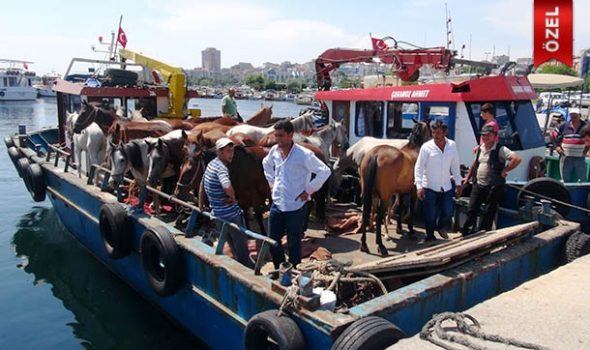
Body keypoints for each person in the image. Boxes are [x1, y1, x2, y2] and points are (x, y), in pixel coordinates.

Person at [262, 120, 331, 269]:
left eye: (281, 136)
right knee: (273, 241)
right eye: (276, 136)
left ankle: (294, 272)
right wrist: (271, 182)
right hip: (277, 204)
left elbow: (325, 171)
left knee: (294, 243)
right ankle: (279, 268)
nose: (277, 139)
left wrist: (309, 191)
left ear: (290, 135)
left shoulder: (304, 155)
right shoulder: (275, 151)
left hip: (295, 207)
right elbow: (266, 163)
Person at [198, 137, 252, 268]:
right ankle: (247, 270)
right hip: (231, 215)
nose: (231, 154)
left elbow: (202, 185)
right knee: (241, 245)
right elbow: (227, 185)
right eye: (228, 151)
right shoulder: (221, 169)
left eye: (232, 151)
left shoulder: (211, 165)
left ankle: (236, 265)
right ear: (219, 152)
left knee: (230, 241)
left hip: (217, 214)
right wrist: (233, 198)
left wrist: (200, 204)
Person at [461, 125, 521, 235]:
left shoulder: (501, 149)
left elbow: (516, 159)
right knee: (471, 209)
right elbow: (475, 164)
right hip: (478, 184)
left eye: (488, 135)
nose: (485, 137)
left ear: (494, 136)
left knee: (488, 213)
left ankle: (483, 235)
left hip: (493, 187)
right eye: (483, 135)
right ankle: (467, 233)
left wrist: (505, 170)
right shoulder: (480, 148)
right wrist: (468, 178)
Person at [414, 120, 462, 242]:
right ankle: (430, 236)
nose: (436, 135)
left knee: (448, 211)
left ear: (445, 132)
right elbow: (418, 167)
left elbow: (455, 165)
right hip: (429, 186)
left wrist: (458, 183)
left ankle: (441, 227)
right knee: (430, 214)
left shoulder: (452, 145)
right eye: (434, 132)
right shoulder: (426, 147)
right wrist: (419, 186)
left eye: (439, 132)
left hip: (446, 186)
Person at [550, 107, 587, 182]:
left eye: (575, 116)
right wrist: (557, 146)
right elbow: (552, 134)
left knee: (582, 178)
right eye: (572, 116)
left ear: (579, 115)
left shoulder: (585, 126)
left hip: (580, 157)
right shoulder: (564, 125)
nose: (573, 118)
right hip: (565, 156)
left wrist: (587, 149)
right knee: (565, 178)